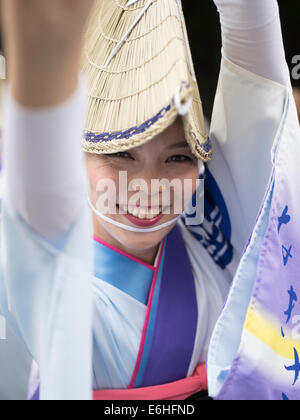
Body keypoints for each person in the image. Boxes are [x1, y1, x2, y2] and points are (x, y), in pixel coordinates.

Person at [0, 0, 299, 400]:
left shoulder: (216, 224)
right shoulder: (55, 282)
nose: (149, 185)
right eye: (121, 154)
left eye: (178, 157)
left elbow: (252, 30)